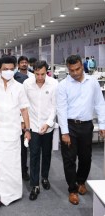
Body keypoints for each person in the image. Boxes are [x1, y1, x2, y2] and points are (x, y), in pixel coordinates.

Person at [0, 56, 31, 210]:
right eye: (5, 69)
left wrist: (27, 129)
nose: (8, 72)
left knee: (13, 165)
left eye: (11, 69)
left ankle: (14, 194)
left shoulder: (19, 87)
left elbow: (24, 109)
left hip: (14, 132)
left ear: (15, 68)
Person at [56, 54, 105, 205]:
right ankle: (72, 189)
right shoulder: (63, 85)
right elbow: (61, 110)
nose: (75, 73)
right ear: (68, 70)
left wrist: (102, 125)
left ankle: (81, 182)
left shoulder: (93, 82)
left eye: (78, 69)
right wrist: (64, 132)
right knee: (69, 159)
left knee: (86, 157)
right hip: (69, 126)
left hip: (86, 125)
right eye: (72, 70)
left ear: (82, 66)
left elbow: (99, 104)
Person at [23, 60, 58, 201]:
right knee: (34, 155)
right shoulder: (27, 84)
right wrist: (26, 126)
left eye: (42, 74)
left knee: (47, 154)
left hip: (47, 126)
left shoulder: (54, 84)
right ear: (33, 72)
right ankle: (35, 185)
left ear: (47, 72)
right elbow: (24, 105)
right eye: (37, 74)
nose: (39, 77)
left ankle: (45, 177)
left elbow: (55, 107)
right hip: (33, 126)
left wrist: (48, 123)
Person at [14, 55, 33, 181]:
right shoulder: (15, 78)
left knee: (23, 149)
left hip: (26, 116)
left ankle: (23, 170)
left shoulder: (31, 77)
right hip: (14, 118)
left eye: (26, 62)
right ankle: (16, 171)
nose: (24, 64)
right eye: (22, 62)